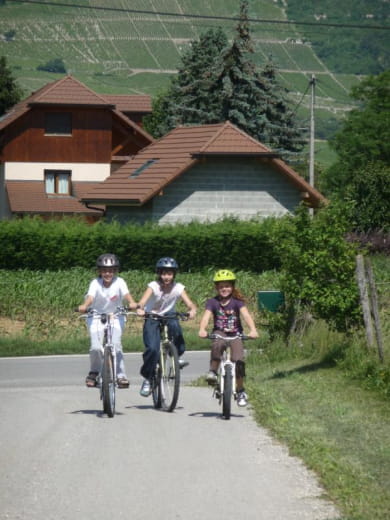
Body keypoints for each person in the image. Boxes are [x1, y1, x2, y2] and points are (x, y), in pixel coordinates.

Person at [136, 257, 197, 397]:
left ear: (174, 274)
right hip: (152, 316)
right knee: (152, 349)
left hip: (168, 315)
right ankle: (148, 378)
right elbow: (142, 301)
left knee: (175, 324)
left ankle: (177, 356)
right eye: (163, 274)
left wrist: (192, 310)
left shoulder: (178, 288)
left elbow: (190, 304)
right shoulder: (153, 286)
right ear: (159, 274)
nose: (166, 277)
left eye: (169, 274)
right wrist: (140, 309)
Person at [198, 269, 258, 407]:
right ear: (216, 288)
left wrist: (253, 330)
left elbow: (246, 316)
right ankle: (213, 371)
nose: (224, 289)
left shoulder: (237, 302)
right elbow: (206, 317)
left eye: (227, 286)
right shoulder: (212, 302)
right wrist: (202, 329)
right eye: (221, 286)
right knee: (217, 345)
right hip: (220, 332)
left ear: (232, 287)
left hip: (236, 333)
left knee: (239, 361)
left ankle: (241, 390)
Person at [78, 253, 137, 388]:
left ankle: (120, 376)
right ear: (99, 271)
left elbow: (127, 294)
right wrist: (85, 306)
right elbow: (91, 297)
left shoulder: (120, 282)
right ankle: (94, 372)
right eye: (104, 270)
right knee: (96, 347)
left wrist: (132, 302)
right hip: (96, 316)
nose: (107, 273)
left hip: (116, 316)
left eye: (111, 270)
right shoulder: (95, 283)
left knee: (116, 345)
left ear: (115, 271)